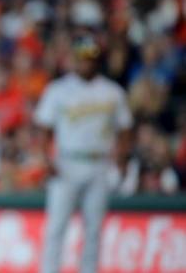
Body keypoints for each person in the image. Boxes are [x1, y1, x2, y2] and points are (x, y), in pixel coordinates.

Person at [35, 35, 133, 273]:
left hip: (100, 163)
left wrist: (121, 159)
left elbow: (125, 129)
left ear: (97, 61)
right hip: (67, 162)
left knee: (94, 228)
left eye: (90, 59)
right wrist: (47, 159)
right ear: (74, 59)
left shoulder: (112, 91)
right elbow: (44, 130)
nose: (85, 63)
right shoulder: (58, 89)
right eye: (81, 58)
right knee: (57, 226)